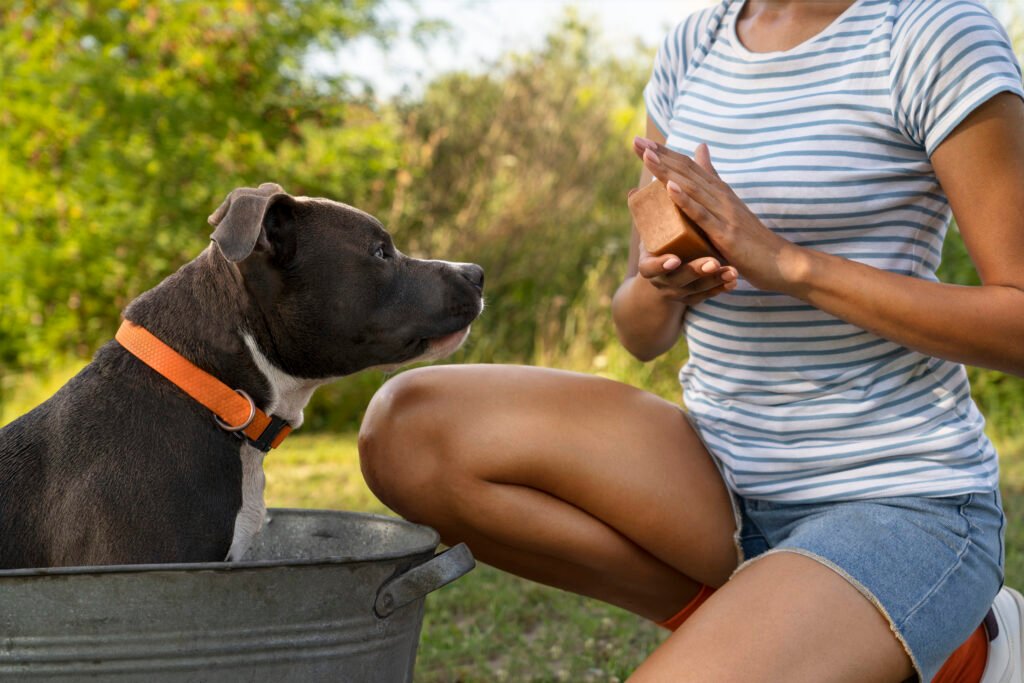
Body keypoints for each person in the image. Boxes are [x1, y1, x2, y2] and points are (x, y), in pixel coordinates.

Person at [358, 0, 1024, 680]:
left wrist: (788, 264)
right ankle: (777, 617)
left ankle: (970, 655)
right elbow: (637, 329)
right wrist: (663, 285)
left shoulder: (930, 31)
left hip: (900, 499)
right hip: (715, 485)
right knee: (410, 431)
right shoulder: (695, 44)